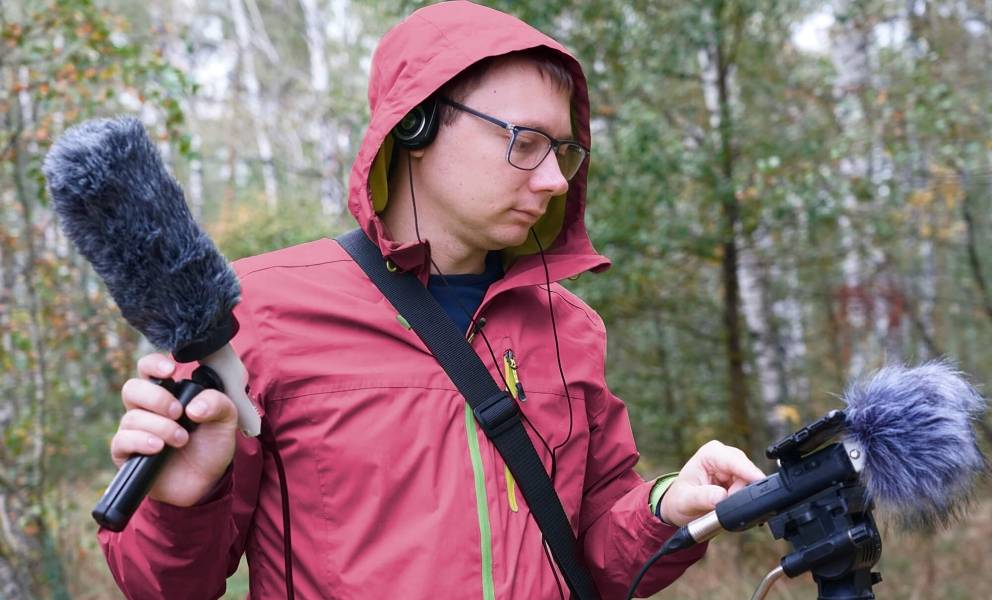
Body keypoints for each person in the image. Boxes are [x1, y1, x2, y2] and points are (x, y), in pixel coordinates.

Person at [99, 2, 764, 598]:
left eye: (564, 151)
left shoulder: (570, 327)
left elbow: (596, 554)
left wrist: (667, 506)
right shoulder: (259, 313)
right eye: (524, 143)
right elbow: (165, 586)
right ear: (415, 126)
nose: (557, 180)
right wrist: (182, 505)